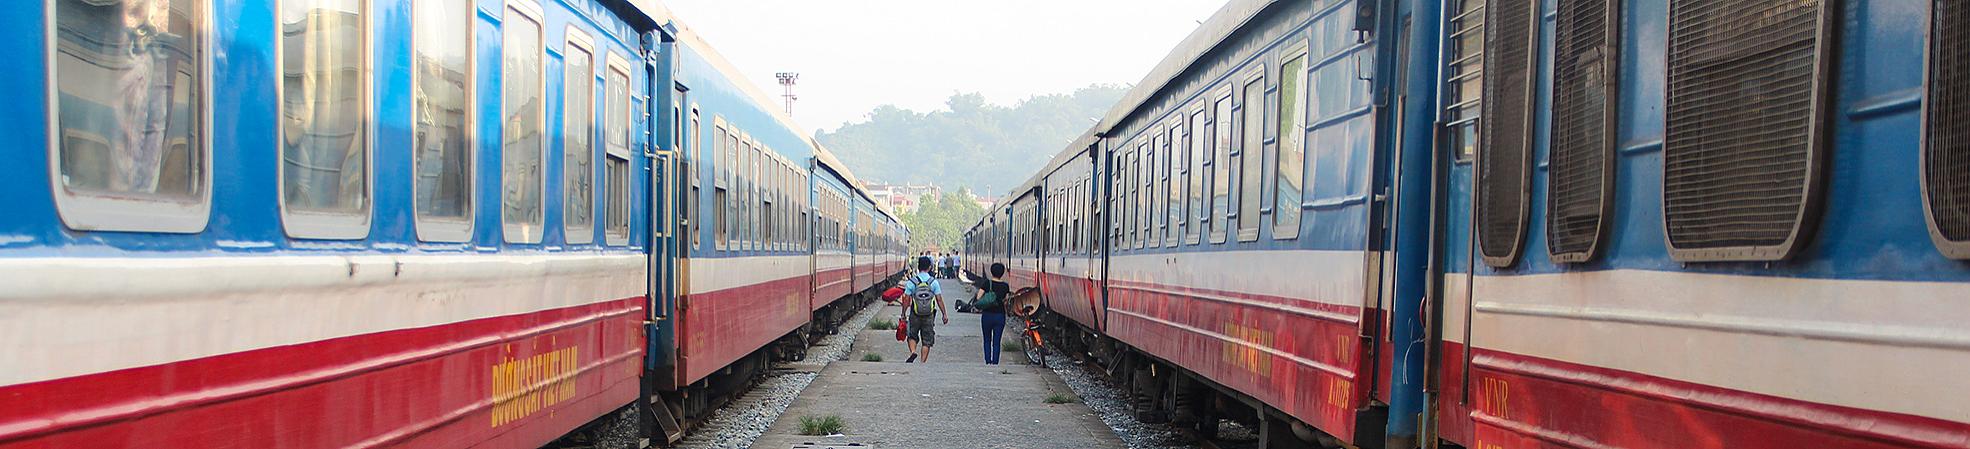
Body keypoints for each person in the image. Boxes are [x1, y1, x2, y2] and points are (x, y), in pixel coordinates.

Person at [901, 256, 948, 363]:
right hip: (929, 314)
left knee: (912, 335)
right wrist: (944, 314)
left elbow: (906, 300)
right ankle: (922, 362)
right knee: (927, 340)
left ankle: (913, 352)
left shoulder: (912, 282)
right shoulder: (933, 282)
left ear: (918, 267)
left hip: (915, 313)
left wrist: (903, 313)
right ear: (930, 267)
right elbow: (939, 299)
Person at [973, 263, 1011, 364]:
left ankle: (988, 361)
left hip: (987, 315)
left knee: (986, 339)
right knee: (997, 341)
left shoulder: (986, 283)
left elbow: (978, 297)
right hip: (1000, 316)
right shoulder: (1005, 286)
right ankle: (995, 362)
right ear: (1002, 273)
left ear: (991, 271)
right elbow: (1006, 301)